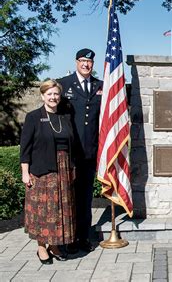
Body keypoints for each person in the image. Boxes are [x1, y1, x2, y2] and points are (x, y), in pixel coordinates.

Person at [20, 80, 75, 264]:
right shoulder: (33, 117)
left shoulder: (64, 117)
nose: (53, 97)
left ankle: (55, 245)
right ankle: (41, 247)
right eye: (49, 94)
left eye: (56, 94)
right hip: (42, 171)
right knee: (42, 211)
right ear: (43, 96)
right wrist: (25, 172)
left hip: (63, 169)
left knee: (59, 210)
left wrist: (72, 167)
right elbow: (25, 148)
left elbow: (71, 145)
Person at [58, 48, 102, 253]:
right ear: (76, 62)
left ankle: (82, 237)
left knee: (85, 197)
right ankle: (68, 237)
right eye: (83, 61)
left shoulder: (100, 86)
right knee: (68, 196)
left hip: (90, 153)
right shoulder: (63, 84)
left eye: (89, 62)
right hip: (68, 153)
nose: (86, 64)